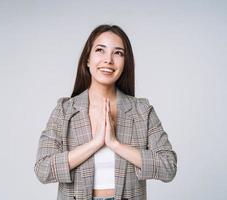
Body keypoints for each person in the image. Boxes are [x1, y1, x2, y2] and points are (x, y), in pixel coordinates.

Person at [34, 24, 177, 200]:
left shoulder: (142, 111)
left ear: (125, 63)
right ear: (87, 59)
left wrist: (115, 144)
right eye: (100, 50)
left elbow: (168, 167)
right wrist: (95, 143)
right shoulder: (64, 111)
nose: (108, 60)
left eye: (118, 53)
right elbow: (43, 169)